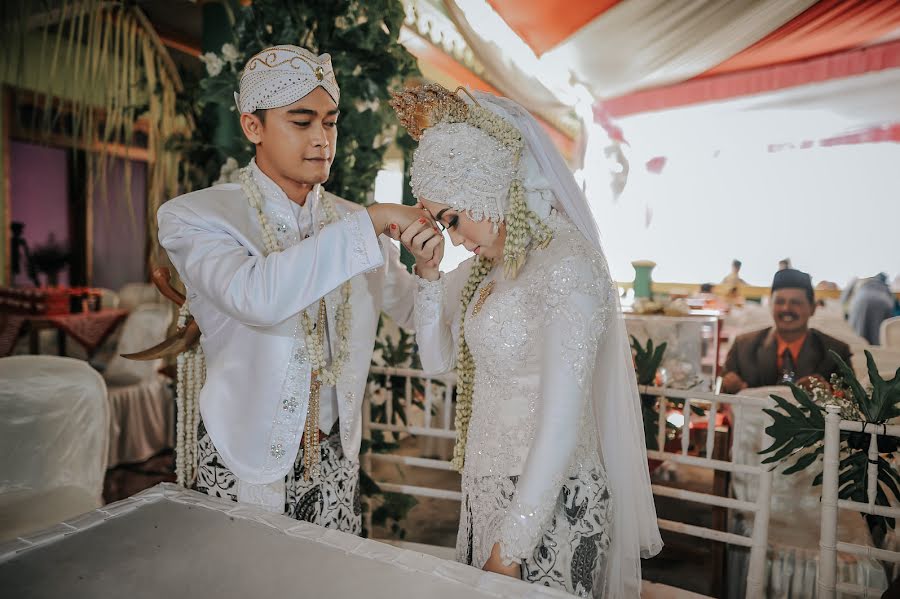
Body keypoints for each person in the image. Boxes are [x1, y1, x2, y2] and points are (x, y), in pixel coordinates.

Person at [390, 84, 661, 598]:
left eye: (452, 219)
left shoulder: (569, 266)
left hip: (551, 506)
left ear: (485, 185)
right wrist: (427, 273)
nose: (453, 237)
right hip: (484, 491)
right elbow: (435, 360)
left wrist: (509, 548)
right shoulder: (487, 268)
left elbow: (561, 423)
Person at [157, 45, 425, 529]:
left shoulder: (351, 222)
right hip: (243, 457)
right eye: (301, 123)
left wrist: (429, 268)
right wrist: (376, 220)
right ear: (252, 127)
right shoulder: (195, 216)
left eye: (330, 122)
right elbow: (257, 298)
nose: (322, 138)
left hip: (335, 459)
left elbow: (414, 313)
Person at [722, 268, 851, 393]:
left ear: (812, 308)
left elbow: (853, 405)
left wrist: (827, 393)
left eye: (795, 302)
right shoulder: (743, 347)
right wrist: (731, 388)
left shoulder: (836, 353)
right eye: (780, 301)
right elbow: (719, 397)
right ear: (770, 305)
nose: (786, 308)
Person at [848, 273, 896, 344]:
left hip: (862, 301)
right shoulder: (884, 285)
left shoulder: (860, 281)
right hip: (884, 301)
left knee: (859, 330)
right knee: (880, 333)